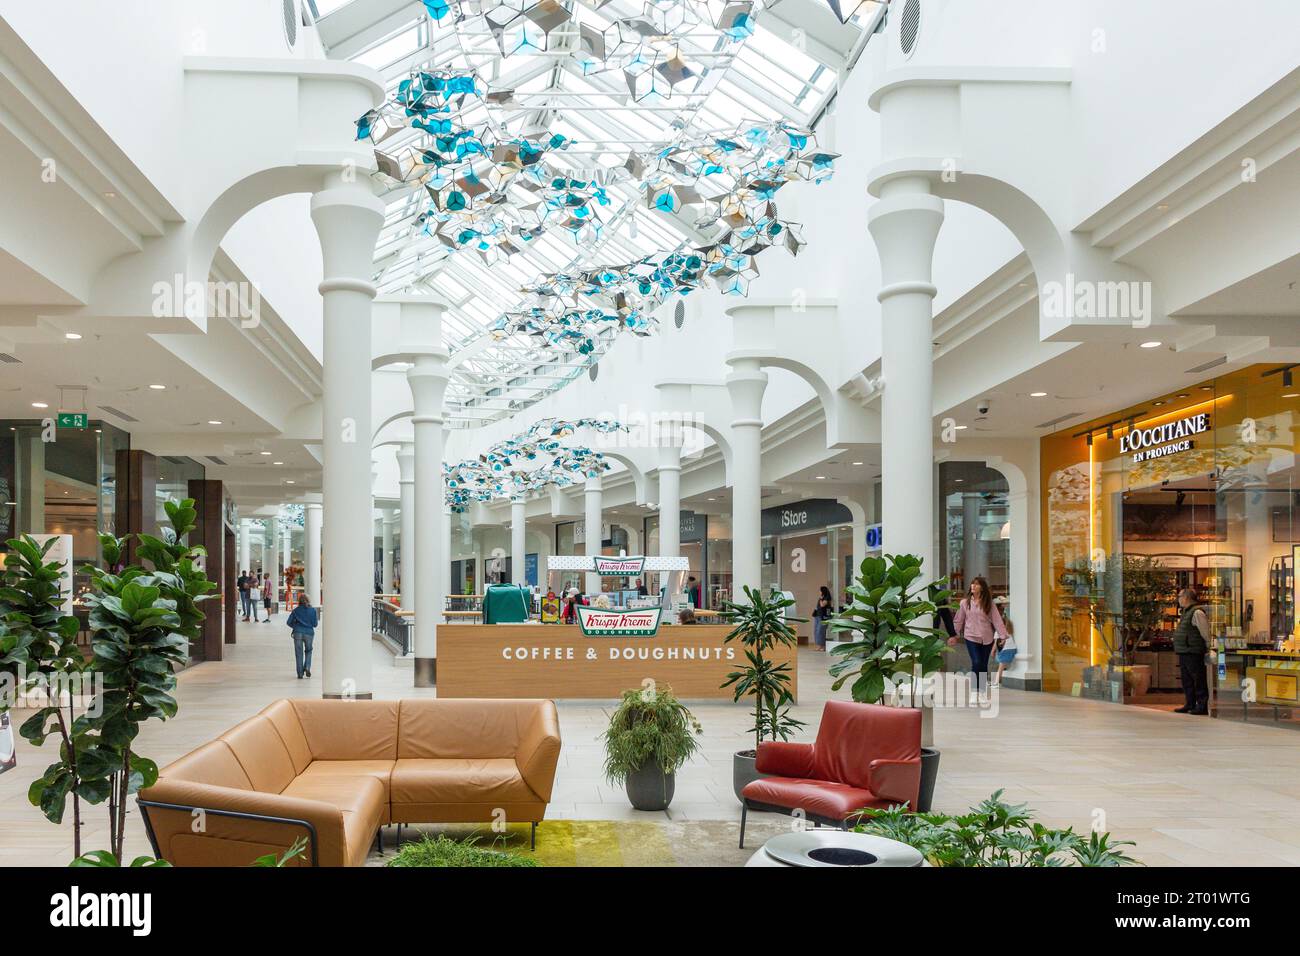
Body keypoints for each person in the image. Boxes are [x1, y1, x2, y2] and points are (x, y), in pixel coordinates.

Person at [950, 576, 1007, 698]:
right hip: (970, 636)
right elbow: (959, 620)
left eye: (976, 584)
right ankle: (974, 692)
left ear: (982, 588)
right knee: (976, 662)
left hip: (987, 638)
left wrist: (1002, 635)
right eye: (972, 584)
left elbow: (997, 620)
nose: (973, 586)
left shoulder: (988, 603)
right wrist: (954, 635)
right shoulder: (965, 603)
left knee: (983, 664)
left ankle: (981, 692)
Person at [1172, 587, 1211, 715]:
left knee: (1198, 679)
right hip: (1185, 650)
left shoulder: (1197, 612)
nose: (1178, 599)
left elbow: (1205, 632)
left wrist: (1208, 646)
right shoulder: (1186, 612)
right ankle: (1189, 703)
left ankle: (1201, 705)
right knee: (1187, 680)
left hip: (1193, 651)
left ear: (1186, 597)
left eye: (1179, 597)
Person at [286, 593, 319, 680]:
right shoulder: (313, 610)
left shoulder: (296, 610)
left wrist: (296, 626)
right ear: (308, 600)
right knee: (309, 650)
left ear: (299, 601)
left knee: (298, 653)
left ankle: (300, 674)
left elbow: (288, 622)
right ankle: (307, 667)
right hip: (309, 633)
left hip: (297, 633)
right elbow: (315, 624)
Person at [812, 585, 833, 650]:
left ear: (823, 591)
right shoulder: (821, 598)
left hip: (824, 617)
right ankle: (819, 645)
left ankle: (822, 646)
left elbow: (822, 605)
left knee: (820, 631)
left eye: (820, 590)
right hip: (817, 616)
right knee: (816, 631)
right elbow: (818, 606)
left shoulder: (827, 598)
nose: (819, 592)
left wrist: (821, 599)